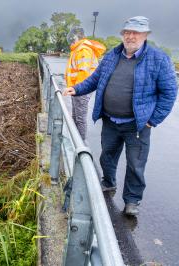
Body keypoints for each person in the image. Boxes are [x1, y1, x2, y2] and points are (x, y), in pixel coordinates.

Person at [63, 16, 178, 216]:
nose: (130, 36)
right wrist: (76, 88)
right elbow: (95, 79)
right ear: (122, 34)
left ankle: (132, 201)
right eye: (127, 32)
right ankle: (108, 182)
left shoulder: (158, 59)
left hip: (138, 125)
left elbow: (169, 92)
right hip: (110, 120)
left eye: (135, 32)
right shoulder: (112, 55)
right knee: (107, 155)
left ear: (145, 35)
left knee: (135, 164)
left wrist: (153, 120)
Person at [65, 27, 106, 141]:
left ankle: (80, 144)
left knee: (80, 118)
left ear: (76, 37)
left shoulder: (83, 50)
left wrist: (77, 89)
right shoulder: (78, 49)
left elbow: (83, 73)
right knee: (76, 116)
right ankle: (75, 141)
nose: (71, 41)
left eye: (72, 38)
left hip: (81, 90)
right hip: (76, 89)